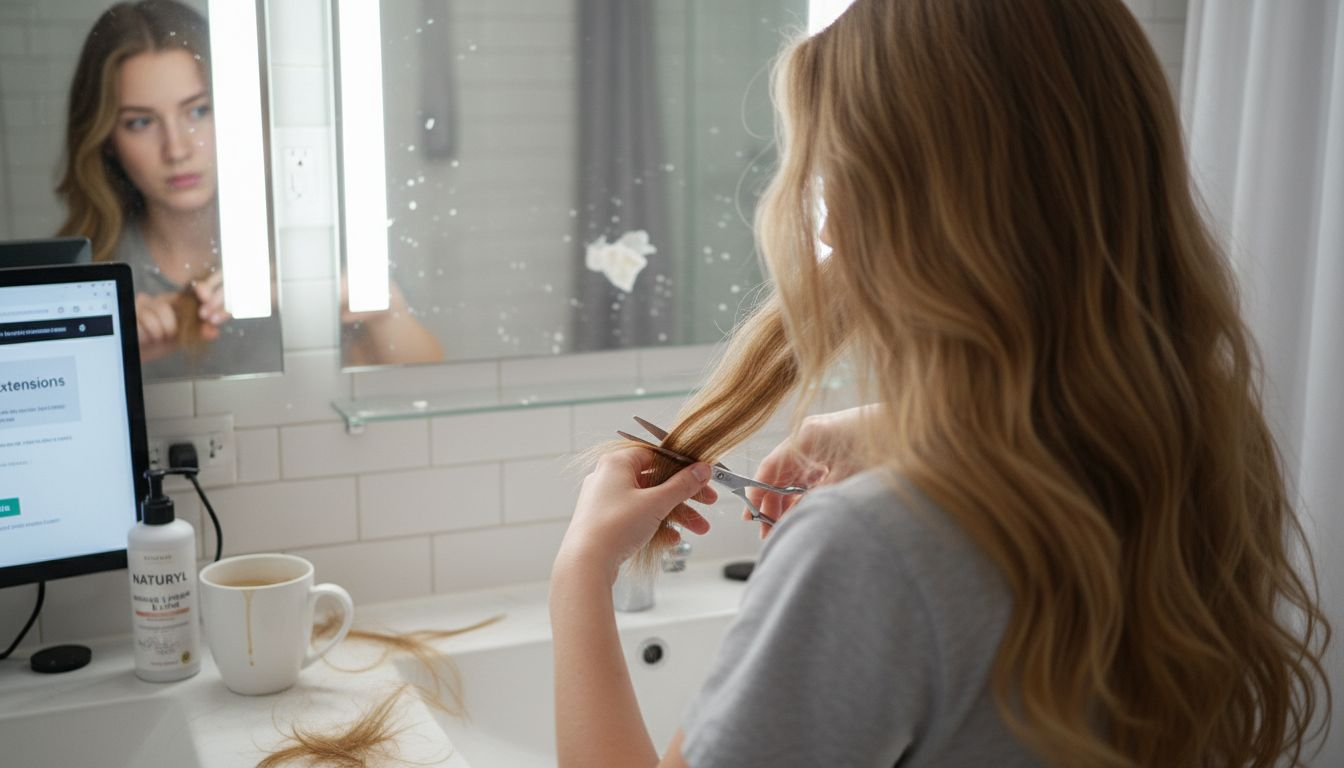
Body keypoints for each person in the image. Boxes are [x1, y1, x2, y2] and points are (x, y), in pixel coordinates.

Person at [549, 1, 1332, 767]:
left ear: (921, 214)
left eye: (841, 184)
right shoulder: (1196, 453)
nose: (825, 231)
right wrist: (896, 430)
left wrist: (581, 572)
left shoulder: (867, 551)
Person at [56, 0, 441, 378]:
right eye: (141, 122)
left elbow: (429, 392)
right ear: (106, 137)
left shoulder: (314, 248)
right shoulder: (82, 282)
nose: (177, 149)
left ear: (239, 110)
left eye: (199, 111)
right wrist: (110, 356)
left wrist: (384, 308)